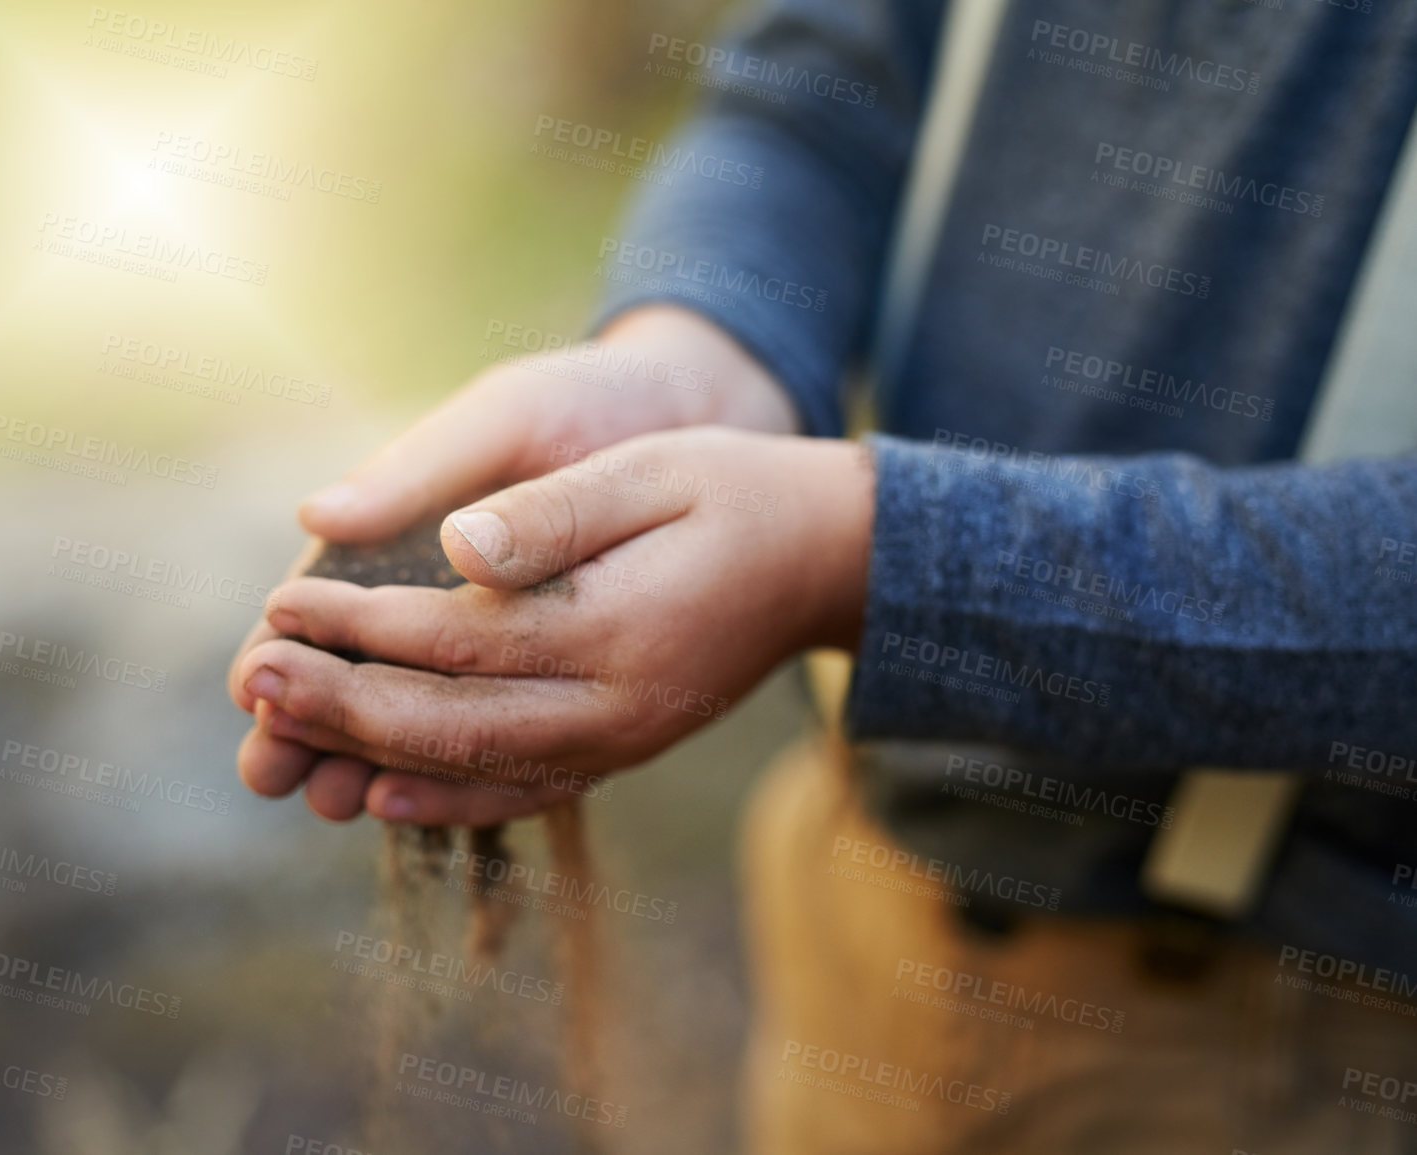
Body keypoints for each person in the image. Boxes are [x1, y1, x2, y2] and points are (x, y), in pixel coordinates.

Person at [230, 1, 1417, 1149]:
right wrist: (702, 345)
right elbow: (815, 89)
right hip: (862, 899)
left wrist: (862, 555)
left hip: (1328, 1029)